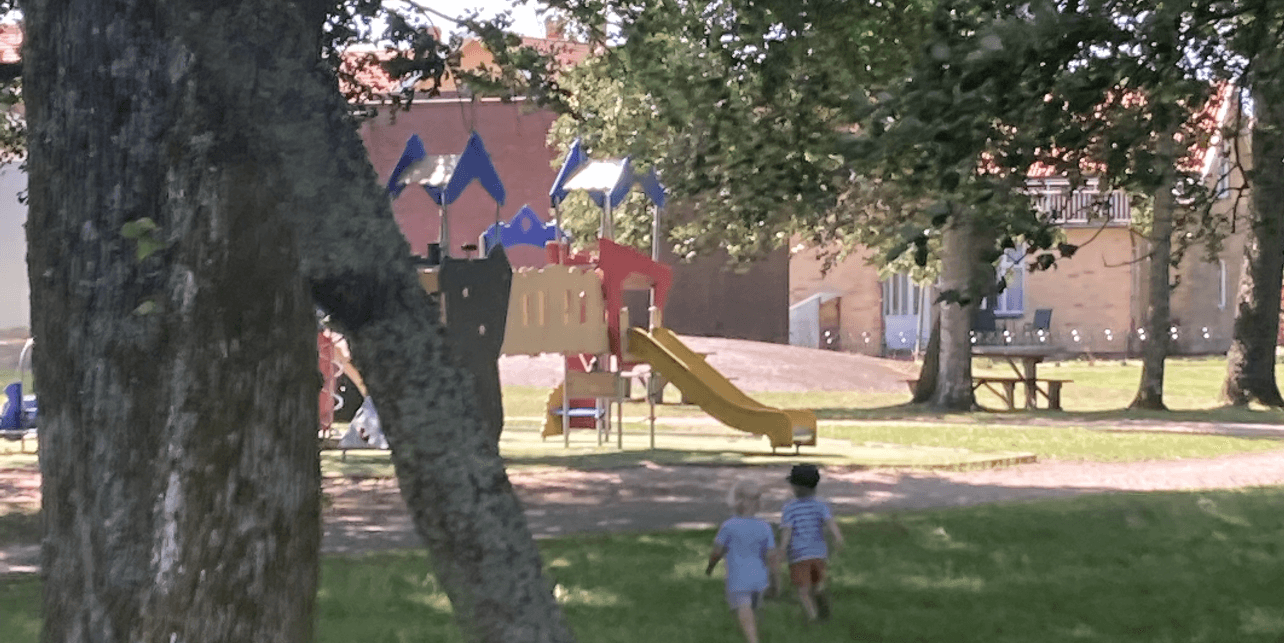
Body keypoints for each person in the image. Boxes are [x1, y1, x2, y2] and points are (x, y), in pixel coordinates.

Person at [707, 479, 776, 643]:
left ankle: (752, 639)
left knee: (743, 608)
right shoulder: (765, 527)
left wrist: (710, 566)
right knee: (751, 608)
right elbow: (772, 555)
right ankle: (752, 631)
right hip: (760, 577)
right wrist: (774, 578)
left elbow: (717, 550)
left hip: (738, 577)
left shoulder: (729, 526)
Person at [778, 463, 844, 621]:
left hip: (799, 555)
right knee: (816, 583)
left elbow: (787, 531)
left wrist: (781, 549)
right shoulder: (821, 505)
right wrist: (838, 538)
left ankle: (813, 617)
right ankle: (820, 598)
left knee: (802, 590)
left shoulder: (790, 508)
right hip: (819, 553)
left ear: (796, 487)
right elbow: (830, 523)